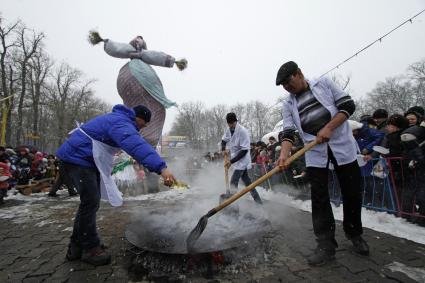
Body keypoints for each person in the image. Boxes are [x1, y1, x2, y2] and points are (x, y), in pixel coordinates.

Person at [56, 104, 176, 266]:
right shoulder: (121, 123)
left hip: (81, 160)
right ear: (138, 118)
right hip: (77, 159)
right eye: (144, 124)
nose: (143, 127)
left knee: (89, 203)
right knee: (90, 202)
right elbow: (137, 145)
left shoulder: (119, 119)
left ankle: (78, 246)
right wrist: (162, 168)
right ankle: (90, 248)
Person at [275, 61, 369, 266]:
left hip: (342, 147)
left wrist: (329, 128)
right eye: (283, 86)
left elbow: (347, 105)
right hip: (316, 153)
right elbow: (288, 132)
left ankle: (354, 233)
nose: (287, 88)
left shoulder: (323, 83)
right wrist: (283, 154)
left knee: (351, 192)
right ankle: (325, 246)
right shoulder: (288, 104)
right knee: (319, 199)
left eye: (288, 83)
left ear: (299, 74)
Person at [221, 113, 262, 204]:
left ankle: (232, 204)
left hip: (243, 160)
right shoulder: (228, 130)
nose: (231, 126)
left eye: (232, 123)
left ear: (236, 121)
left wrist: (231, 161)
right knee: (248, 184)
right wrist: (223, 149)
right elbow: (224, 140)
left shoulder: (243, 131)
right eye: (229, 124)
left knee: (233, 181)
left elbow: (244, 151)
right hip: (236, 159)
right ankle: (259, 203)